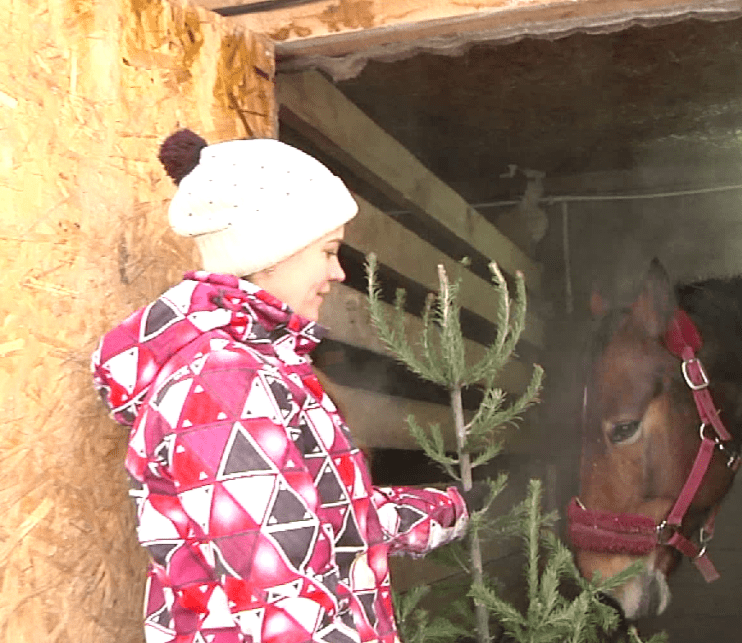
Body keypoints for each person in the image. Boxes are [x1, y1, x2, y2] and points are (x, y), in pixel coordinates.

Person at [92, 130, 470, 643]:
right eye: (329, 251)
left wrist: (445, 509)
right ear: (272, 251)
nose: (338, 273)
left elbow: (306, 520)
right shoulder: (223, 383)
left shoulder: (259, 366)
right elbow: (280, 601)